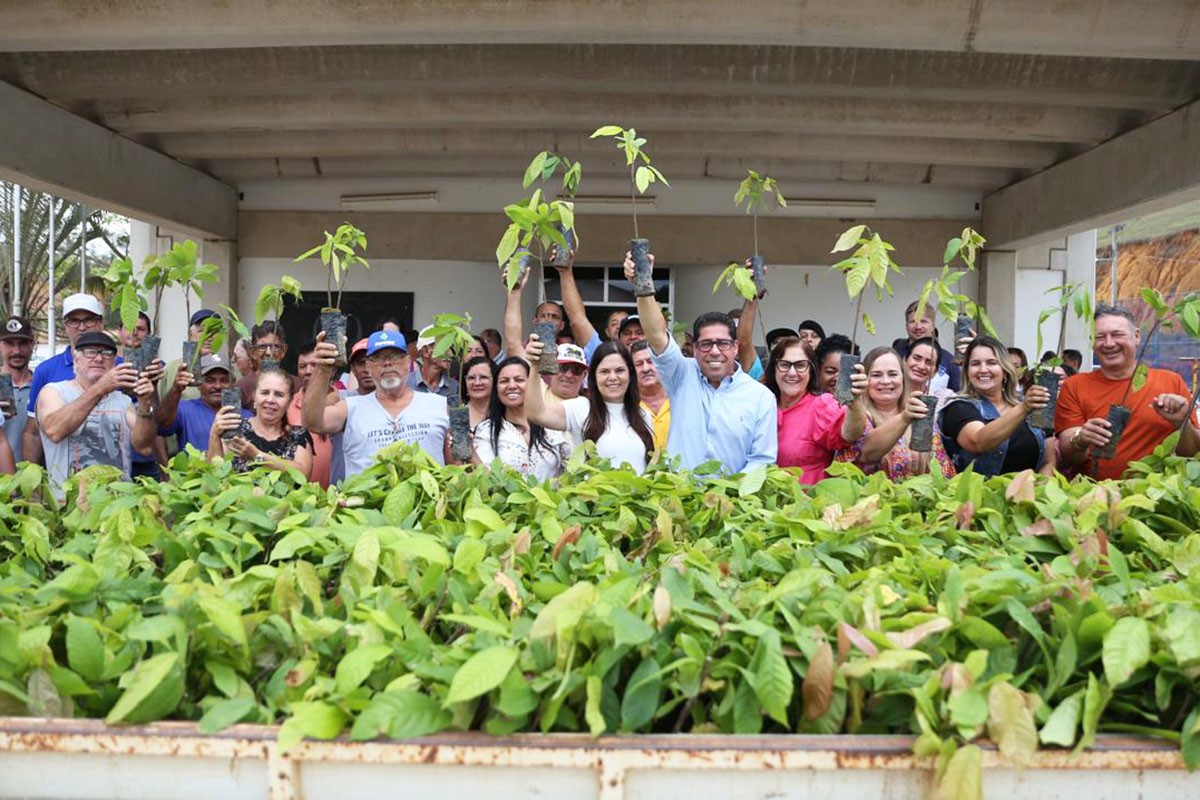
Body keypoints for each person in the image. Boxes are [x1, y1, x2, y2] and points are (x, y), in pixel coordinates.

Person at [626, 250, 776, 474]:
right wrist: (643, 283)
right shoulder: (681, 375)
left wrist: (727, 490)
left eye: (723, 344)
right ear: (694, 349)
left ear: (735, 347)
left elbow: (761, 459)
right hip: (680, 493)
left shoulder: (760, 397)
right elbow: (656, 334)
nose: (714, 351)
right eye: (706, 344)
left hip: (733, 495)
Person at [1055, 305, 1198, 480]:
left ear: (1136, 336)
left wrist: (1181, 423)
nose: (1109, 343)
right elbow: (1069, 456)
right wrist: (1081, 438)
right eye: (1100, 337)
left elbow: (1190, 453)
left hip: (1156, 490)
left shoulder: (1171, 382)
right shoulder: (1074, 385)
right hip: (1093, 491)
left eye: (1117, 334)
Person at [303, 330, 450, 477]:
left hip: (425, 492)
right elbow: (313, 422)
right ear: (368, 366)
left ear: (408, 362)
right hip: (366, 492)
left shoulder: (438, 406)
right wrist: (322, 368)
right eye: (379, 358)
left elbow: (456, 466)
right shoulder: (350, 407)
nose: (387, 363)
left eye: (394, 356)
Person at [36, 331, 155, 495]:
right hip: (69, 503)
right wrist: (101, 388)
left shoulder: (123, 401)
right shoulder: (54, 391)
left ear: (114, 363)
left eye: (106, 353)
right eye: (90, 352)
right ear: (76, 360)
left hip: (117, 503)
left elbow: (144, 447)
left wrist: (145, 404)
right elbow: (54, 431)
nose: (99, 358)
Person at [525, 337, 654, 473]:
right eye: (604, 371)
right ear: (594, 377)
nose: (612, 377)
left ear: (630, 374)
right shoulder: (581, 408)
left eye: (619, 370)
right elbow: (536, 414)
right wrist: (534, 366)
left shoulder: (644, 415)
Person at [940, 336, 1056, 476]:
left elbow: (1049, 461)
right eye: (975, 364)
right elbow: (978, 442)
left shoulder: (1031, 404)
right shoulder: (958, 407)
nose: (983, 369)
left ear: (1005, 370)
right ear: (967, 372)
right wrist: (1024, 408)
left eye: (991, 363)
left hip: (1032, 488)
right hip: (979, 490)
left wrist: (1040, 486)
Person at [836, 347, 954, 481]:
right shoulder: (857, 416)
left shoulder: (917, 412)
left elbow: (943, 471)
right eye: (876, 375)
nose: (886, 381)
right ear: (864, 379)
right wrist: (904, 418)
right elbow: (867, 452)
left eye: (893, 374)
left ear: (903, 378)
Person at [765, 336, 866, 484]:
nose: (792, 372)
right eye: (784, 365)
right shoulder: (762, 405)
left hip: (809, 496)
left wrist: (855, 400)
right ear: (774, 369)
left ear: (811, 371)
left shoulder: (821, 405)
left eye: (800, 365)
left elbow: (849, 434)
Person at [24, 293, 109, 465]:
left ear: (101, 322)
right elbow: (33, 433)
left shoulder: (118, 367)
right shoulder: (46, 371)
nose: (82, 327)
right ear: (65, 326)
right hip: (62, 474)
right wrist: (30, 477)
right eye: (74, 321)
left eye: (89, 320)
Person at [472, 356, 570, 481]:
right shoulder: (486, 431)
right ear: (496, 389)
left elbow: (569, 471)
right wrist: (472, 454)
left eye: (519, 380)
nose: (512, 386)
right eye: (504, 381)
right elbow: (488, 481)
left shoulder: (551, 425)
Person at [211, 368, 313, 476]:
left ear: (289, 401)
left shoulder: (298, 435)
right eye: (265, 393)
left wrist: (257, 456)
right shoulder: (235, 429)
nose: (270, 400)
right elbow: (214, 474)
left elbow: (302, 474)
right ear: (254, 396)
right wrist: (214, 434)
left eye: (279, 394)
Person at [158, 353, 247, 455]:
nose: (218, 386)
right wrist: (176, 389)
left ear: (233, 383)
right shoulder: (185, 410)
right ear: (199, 384)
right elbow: (161, 428)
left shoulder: (246, 416)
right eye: (210, 381)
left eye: (224, 380)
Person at [289, 342, 338, 486]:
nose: (308, 371)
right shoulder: (288, 405)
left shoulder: (345, 404)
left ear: (332, 370)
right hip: (299, 493)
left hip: (339, 493)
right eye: (302, 366)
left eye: (314, 365)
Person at [892, 301, 961, 392]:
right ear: (906, 326)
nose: (918, 327)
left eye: (923, 321)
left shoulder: (948, 360)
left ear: (933, 325)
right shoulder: (895, 355)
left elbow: (957, 394)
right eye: (912, 321)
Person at [236, 321, 299, 409]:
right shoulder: (242, 387)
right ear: (253, 352)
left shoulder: (297, 385)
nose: (268, 353)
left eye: (274, 347)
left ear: (283, 351)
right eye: (262, 347)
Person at [1, 316, 36, 462]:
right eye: (9, 344)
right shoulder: (2, 384)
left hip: (35, 473)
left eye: (22, 343)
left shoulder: (43, 388)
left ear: (32, 345)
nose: (17, 351)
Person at [631, 340, 670, 451]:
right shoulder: (628, 408)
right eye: (639, 364)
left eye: (650, 361)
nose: (646, 369)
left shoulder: (680, 401)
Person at [904, 336, 957, 416]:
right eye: (916, 358)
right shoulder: (889, 394)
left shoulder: (944, 398)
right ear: (905, 360)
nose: (921, 366)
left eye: (929, 363)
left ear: (935, 371)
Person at [409, 326, 460, 399]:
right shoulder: (406, 384)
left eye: (451, 347)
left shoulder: (454, 386)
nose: (451, 354)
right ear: (426, 351)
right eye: (444, 347)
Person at [460, 356, 495, 431]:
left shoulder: (505, 411)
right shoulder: (456, 411)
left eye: (483, 377)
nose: (477, 383)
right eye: (471, 378)